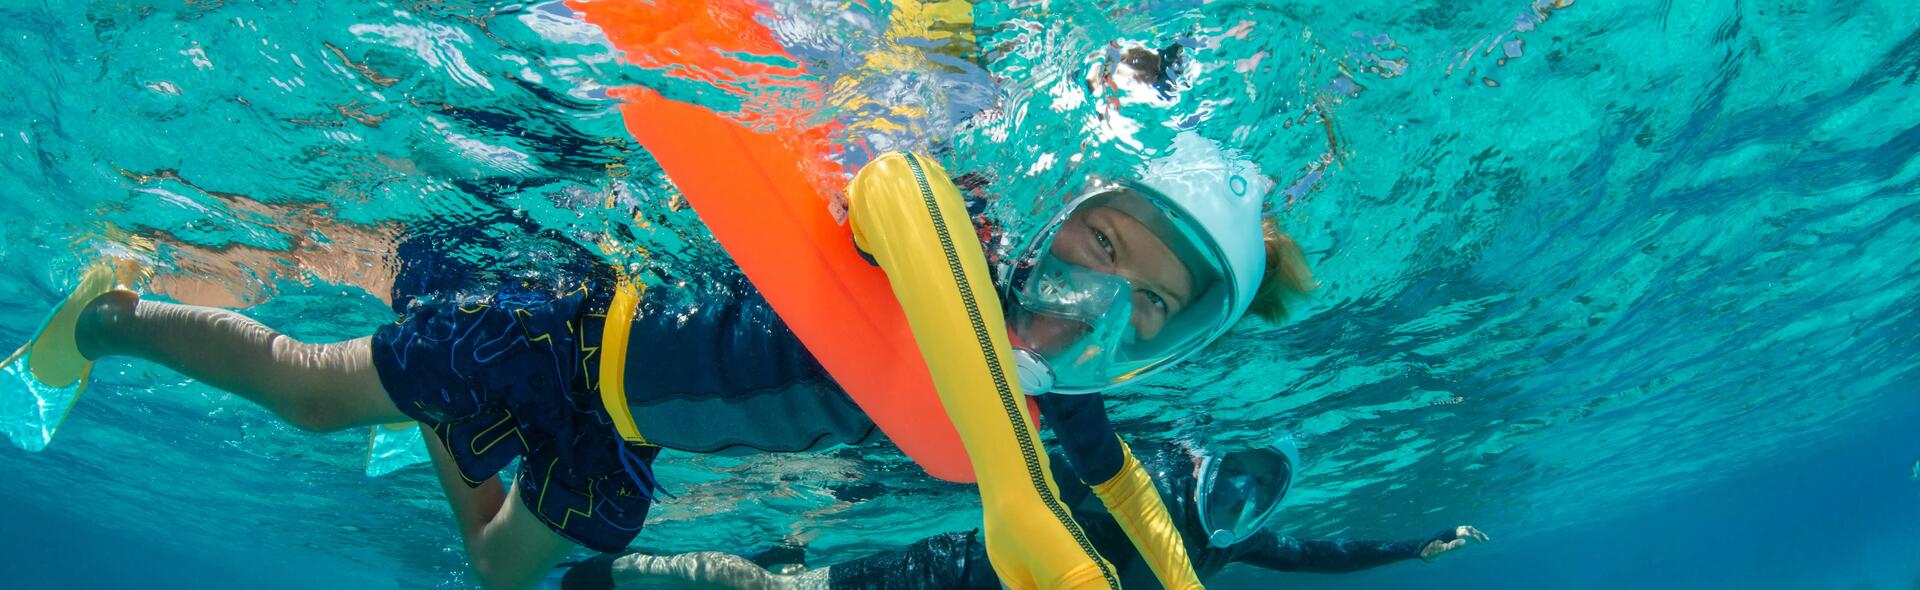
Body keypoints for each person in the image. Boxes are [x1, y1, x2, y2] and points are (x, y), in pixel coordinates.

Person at [1, 129, 1315, 590]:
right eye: (1097, 241)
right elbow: (898, 187)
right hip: (561, 335)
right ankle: (106, 312)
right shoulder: (956, 237)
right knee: (310, 394)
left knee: (506, 572)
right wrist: (1020, 507)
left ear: (1174, 337)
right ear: (1058, 210)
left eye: (1147, 302)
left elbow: (1124, 477)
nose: (1094, 298)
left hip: (634, 426)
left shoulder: (1057, 393)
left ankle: (458, 429)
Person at [543, 436, 1489, 590]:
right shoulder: (1139, 472)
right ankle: (613, 572)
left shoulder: (1219, 550)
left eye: (1251, 500)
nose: (1233, 503)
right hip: (945, 570)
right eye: (1234, 477)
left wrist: (1417, 545)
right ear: (1206, 457)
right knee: (785, 587)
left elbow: (1324, 555)